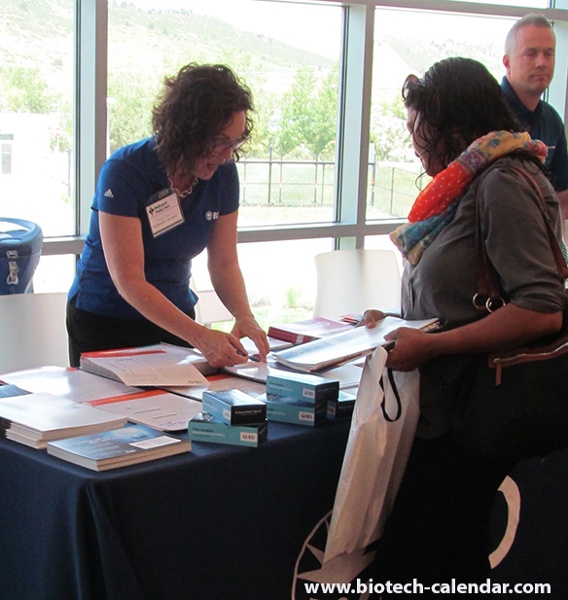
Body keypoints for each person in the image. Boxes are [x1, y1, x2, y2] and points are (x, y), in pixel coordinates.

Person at [362, 57, 566, 594]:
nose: (414, 145)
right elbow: (462, 291)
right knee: (458, 566)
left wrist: (432, 347)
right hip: (449, 410)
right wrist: (399, 321)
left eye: (418, 131)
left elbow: (543, 306)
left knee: (402, 569)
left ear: (452, 126)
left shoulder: (503, 181)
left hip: (475, 414)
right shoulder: (465, 184)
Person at [66, 63, 269, 368]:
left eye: (235, 143)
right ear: (189, 131)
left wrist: (245, 315)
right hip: (106, 320)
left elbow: (224, 262)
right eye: (220, 142)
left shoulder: (223, 175)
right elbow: (130, 281)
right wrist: (201, 337)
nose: (228, 155)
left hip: (175, 321)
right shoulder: (125, 170)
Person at [502, 14, 568, 228]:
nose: (542, 63)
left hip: (537, 244)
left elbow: (563, 195)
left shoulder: (552, 120)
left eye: (548, 54)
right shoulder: (487, 113)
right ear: (507, 62)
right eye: (531, 54)